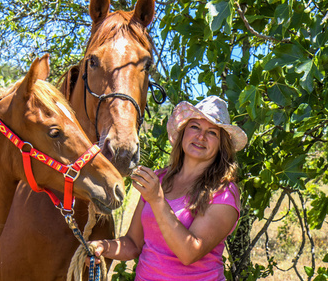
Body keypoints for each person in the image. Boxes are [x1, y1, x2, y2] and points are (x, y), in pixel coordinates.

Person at [87, 95, 248, 280]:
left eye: (212, 132)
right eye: (194, 127)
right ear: (183, 134)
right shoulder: (159, 179)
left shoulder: (223, 193)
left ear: (221, 145)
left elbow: (189, 252)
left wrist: (157, 200)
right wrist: (102, 247)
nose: (201, 137)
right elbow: (133, 243)